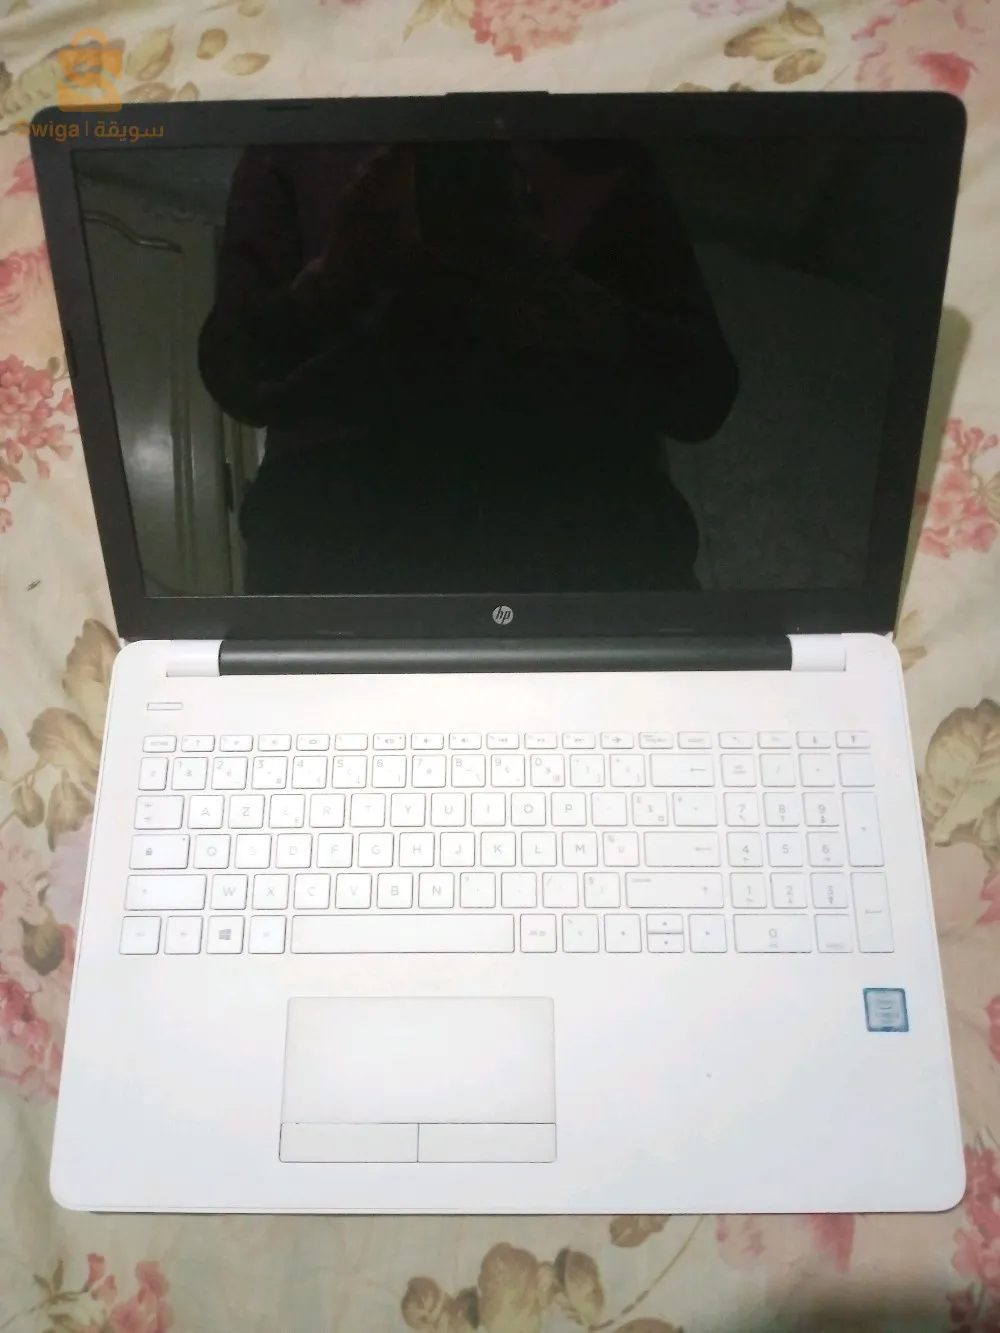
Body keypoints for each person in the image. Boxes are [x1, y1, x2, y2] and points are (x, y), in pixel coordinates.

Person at [199, 139, 739, 595]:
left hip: (350, 552)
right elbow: (235, 372)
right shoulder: (297, 142)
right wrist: (339, 276)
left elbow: (703, 391)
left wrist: (563, 299)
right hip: (589, 547)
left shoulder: (599, 143)